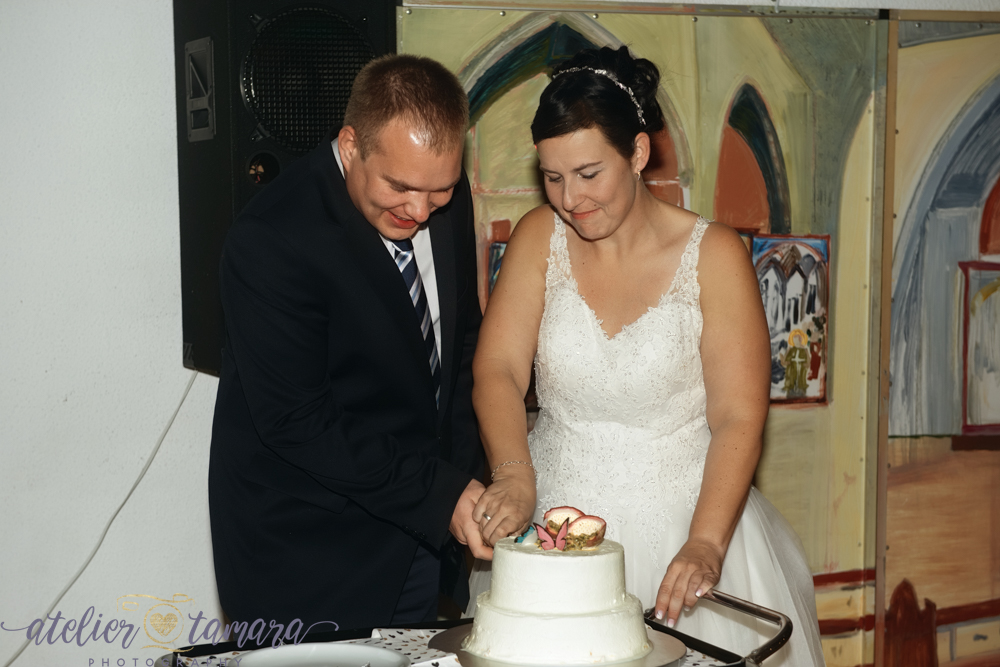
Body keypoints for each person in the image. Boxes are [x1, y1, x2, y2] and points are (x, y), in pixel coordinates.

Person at [467, 46, 825, 665]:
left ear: (636, 153)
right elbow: (497, 369)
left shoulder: (714, 255)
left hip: (684, 521)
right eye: (553, 177)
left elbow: (738, 416)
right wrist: (514, 473)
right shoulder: (538, 238)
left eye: (588, 173)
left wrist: (706, 542)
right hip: (556, 522)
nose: (570, 198)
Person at [208, 54, 491, 635]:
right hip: (309, 550)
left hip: (421, 538)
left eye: (439, 191)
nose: (420, 211)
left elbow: (459, 343)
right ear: (351, 143)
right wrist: (441, 493)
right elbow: (298, 421)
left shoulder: (439, 190)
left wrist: (467, 479)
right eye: (400, 187)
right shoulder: (273, 238)